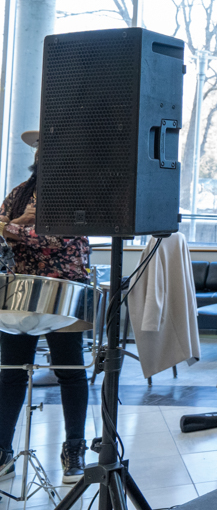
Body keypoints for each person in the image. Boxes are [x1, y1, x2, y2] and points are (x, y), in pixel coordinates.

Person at [0, 130, 91, 483]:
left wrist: (16, 229)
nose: (42, 155)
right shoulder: (20, 194)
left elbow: (58, 239)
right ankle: (4, 451)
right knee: (10, 374)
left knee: (69, 372)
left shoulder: (74, 194)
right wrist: (21, 224)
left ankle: (74, 450)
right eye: (40, 149)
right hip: (22, 291)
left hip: (63, 290)